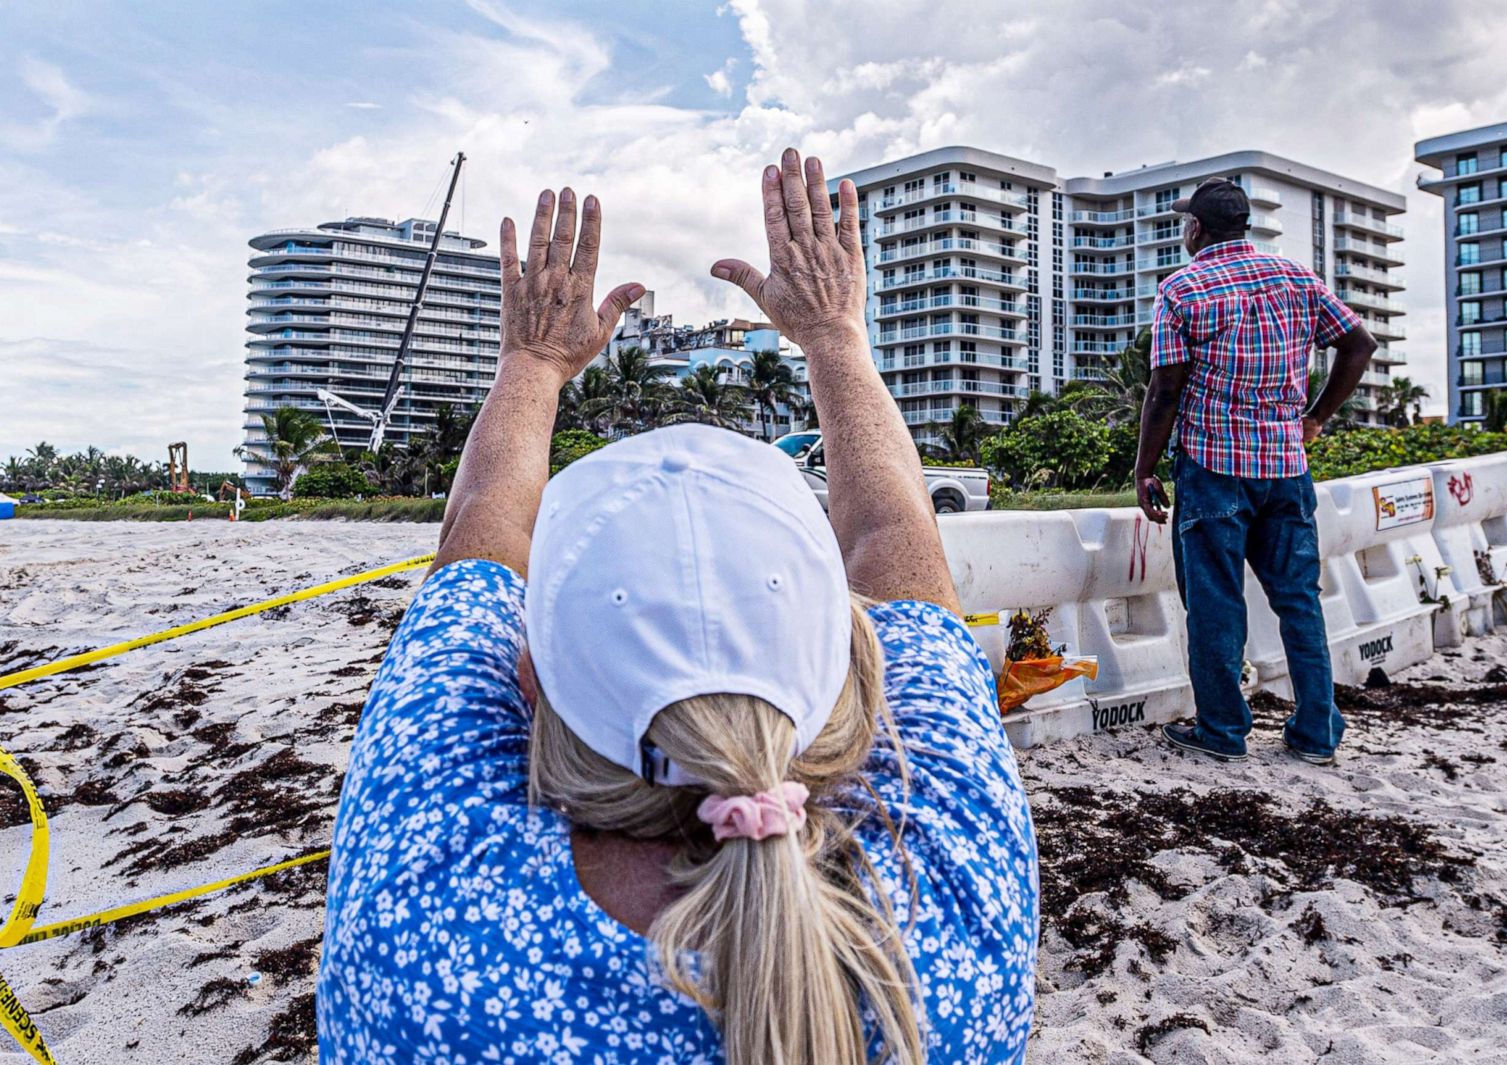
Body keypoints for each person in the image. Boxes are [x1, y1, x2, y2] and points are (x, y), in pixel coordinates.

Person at [315, 151, 1039, 1063]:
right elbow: (895, 534)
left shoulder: (430, 897)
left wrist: (534, 362)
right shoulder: (947, 888)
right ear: (850, 661)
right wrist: (834, 337)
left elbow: (480, 533)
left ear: (529, 679)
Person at [1133, 177, 1377, 766]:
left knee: (1216, 602)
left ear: (1196, 227)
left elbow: (1166, 390)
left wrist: (1143, 467)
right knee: (1298, 600)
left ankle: (1222, 731)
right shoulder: (1297, 277)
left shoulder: (1182, 289)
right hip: (1286, 468)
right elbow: (1359, 345)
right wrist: (1315, 418)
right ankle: (1316, 733)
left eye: (1185, 222)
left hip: (1214, 468)